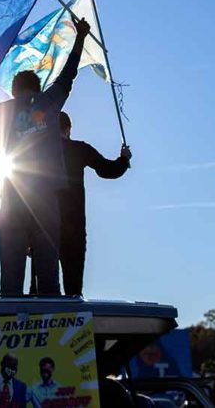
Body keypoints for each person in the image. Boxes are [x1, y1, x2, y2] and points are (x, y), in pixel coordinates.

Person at [0, 17, 90, 296]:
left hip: (12, 197)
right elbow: (69, 74)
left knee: (11, 271)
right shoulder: (49, 102)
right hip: (45, 199)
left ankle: (9, 326)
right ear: (38, 87)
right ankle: (51, 326)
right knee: (47, 270)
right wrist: (80, 37)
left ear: (15, 90)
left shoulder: (0, 112)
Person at [54, 111, 130, 296]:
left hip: (43, 224)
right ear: (68, 129)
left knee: (40, 285)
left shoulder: (36, 151)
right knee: (73, 285)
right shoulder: (79, 149)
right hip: (74, 226)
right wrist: (124, 159)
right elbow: (107, 170)